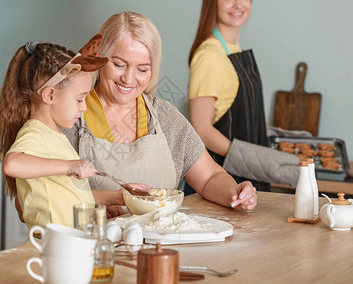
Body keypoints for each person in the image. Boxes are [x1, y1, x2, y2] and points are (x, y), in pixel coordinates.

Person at [63, 11, 258, 217]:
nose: (129, 79)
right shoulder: (70, 116)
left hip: (162, 244)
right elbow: (42, 193)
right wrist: (96, 201)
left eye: (142, 69)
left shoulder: (164, 117)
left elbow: (210, 177)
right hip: (95, 244)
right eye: (119, 64)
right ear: (99, 59)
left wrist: (234, 193)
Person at [0, 34, 128, 229]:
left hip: (73, 239)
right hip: (54, 244)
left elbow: (66, 194)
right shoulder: (35, 133)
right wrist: (70, 166)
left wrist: (118, 198)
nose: (83, 108)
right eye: (79, 99)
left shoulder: (55, 135)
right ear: (49, 95)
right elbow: (12, 164)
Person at [188, 0, 298, 192]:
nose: (238, 4)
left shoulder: (233, 50)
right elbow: (201, 130)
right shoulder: (209, 56)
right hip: (221, 181)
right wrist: (252, 160)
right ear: (213, 2)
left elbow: (243, 119)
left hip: (249, 177)